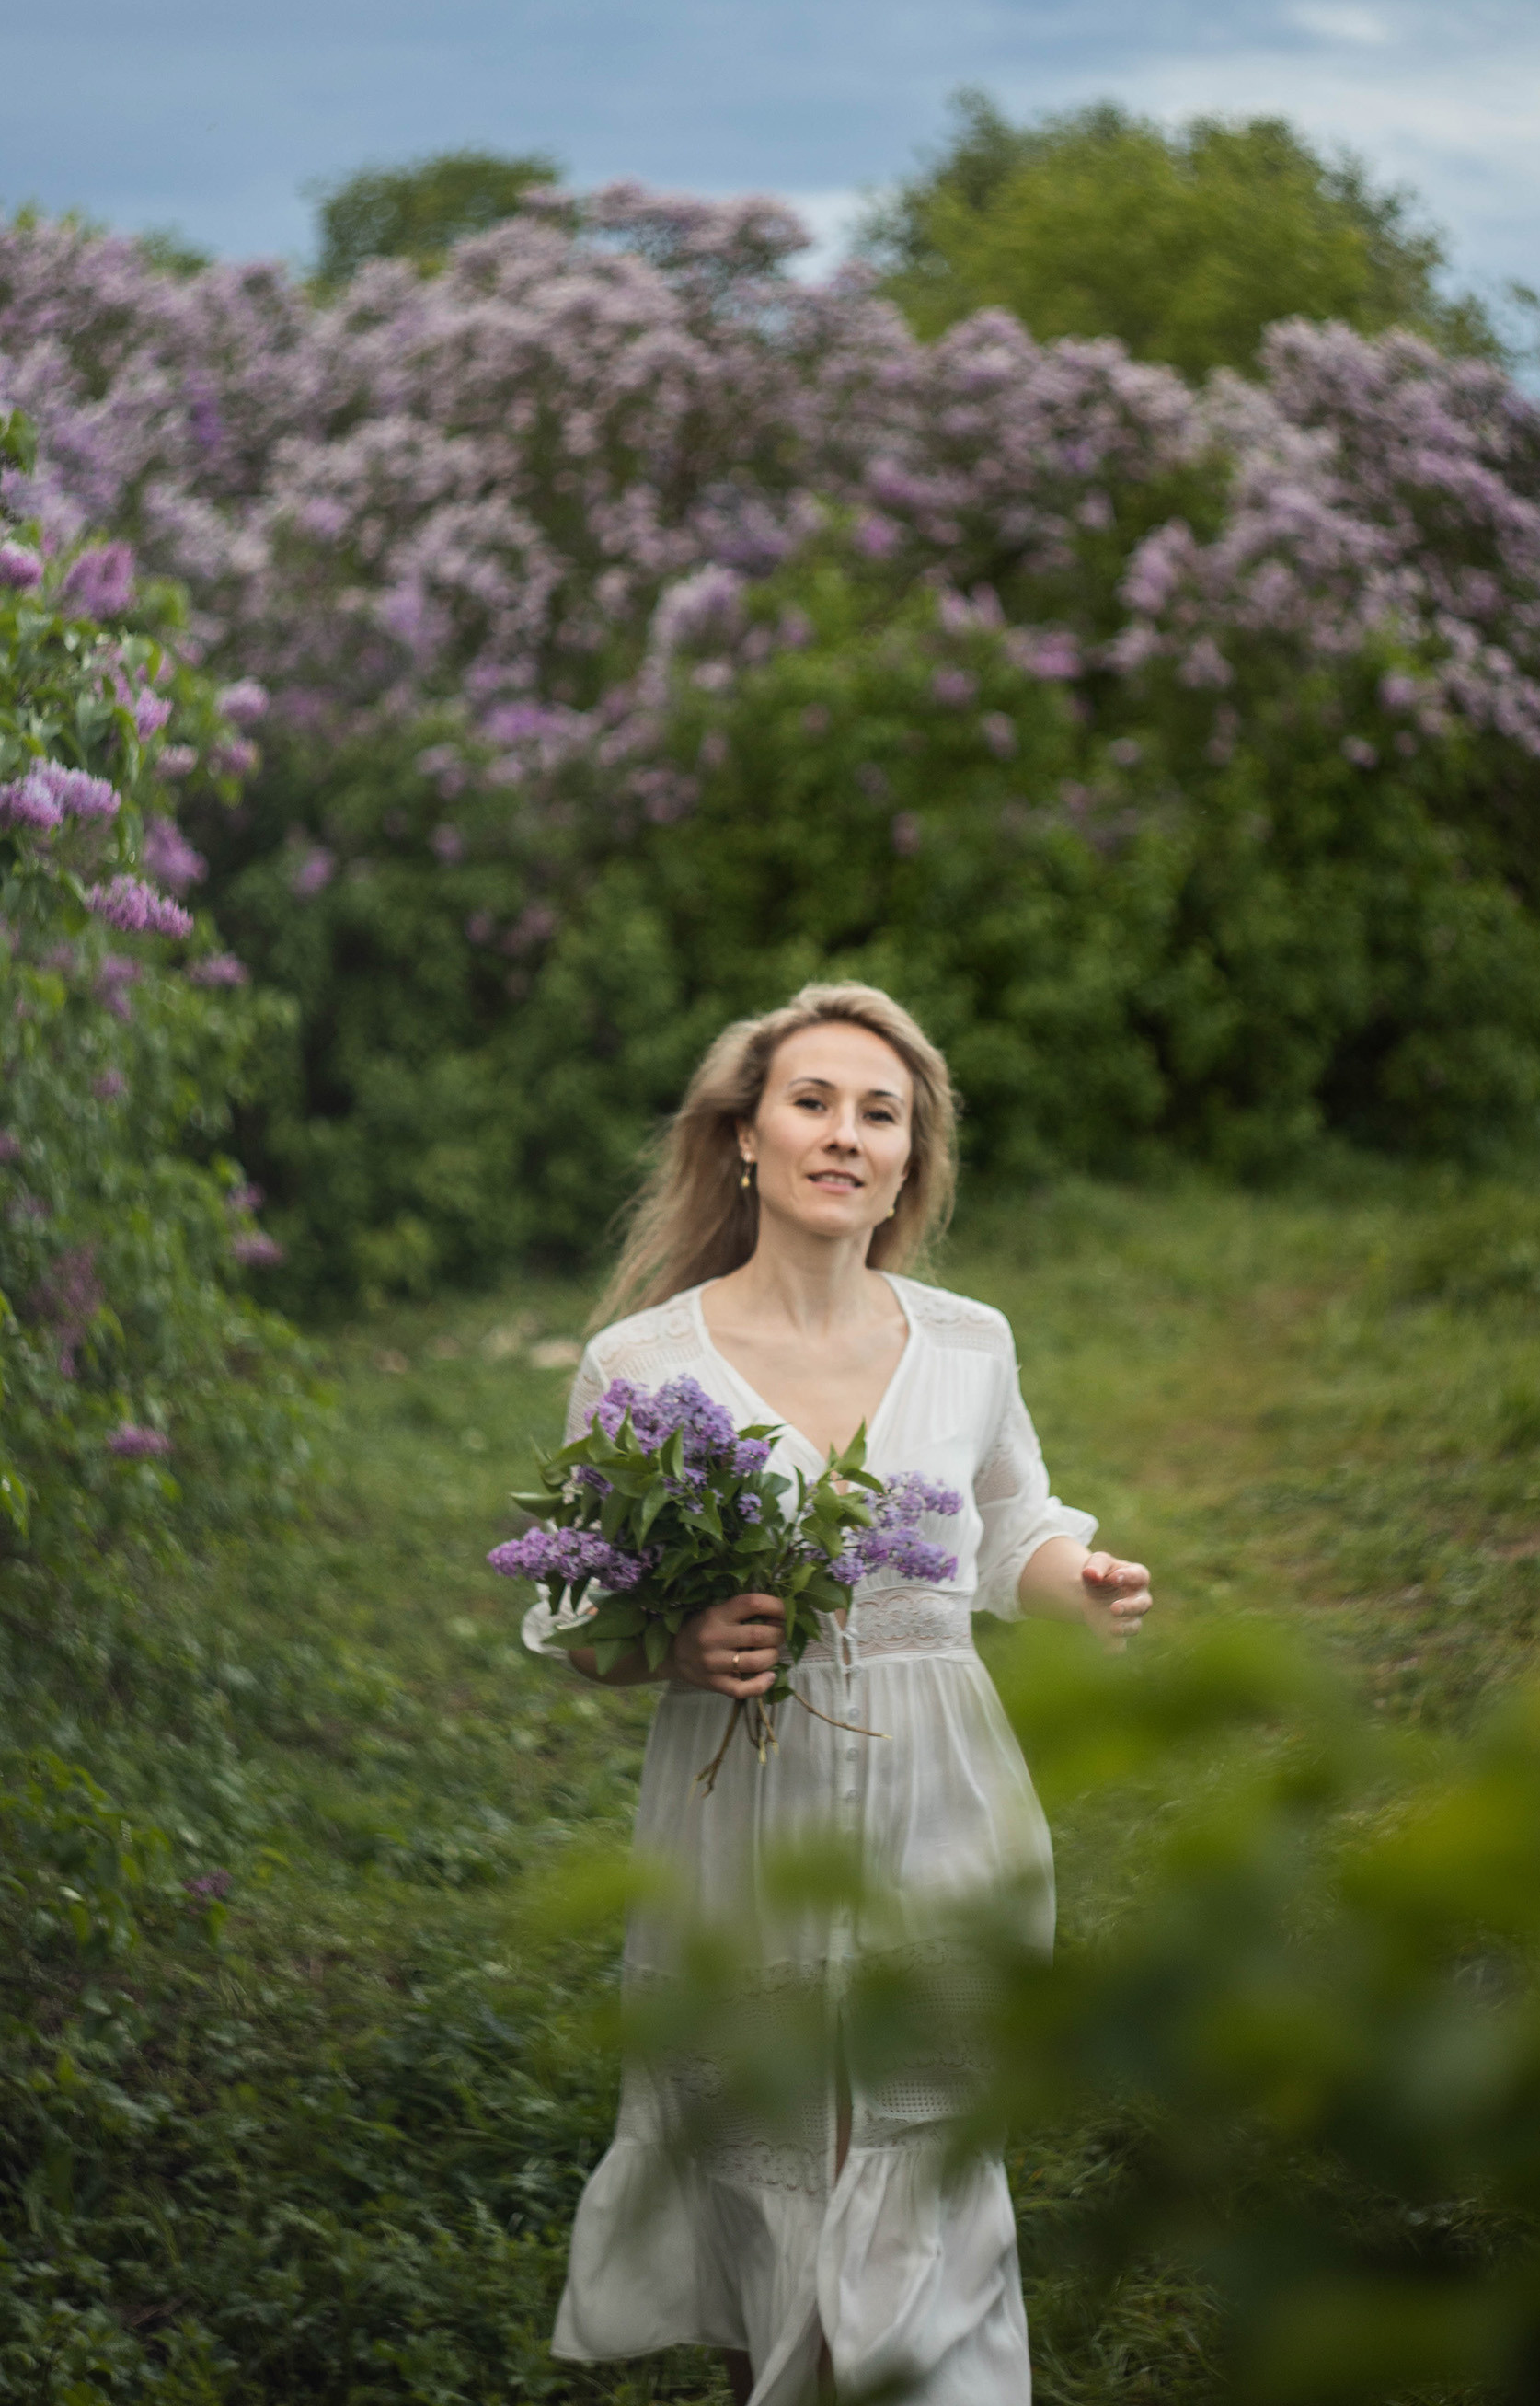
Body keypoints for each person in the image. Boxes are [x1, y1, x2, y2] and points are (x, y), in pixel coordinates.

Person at [524, 981, 1153, 2404]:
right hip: (745, 1804)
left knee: (928, 2143)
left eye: (883, 1113)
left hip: (946, 1792)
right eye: (814, 1101)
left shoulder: (970, 1340)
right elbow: (573, 1609)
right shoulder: (641, 1367)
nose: (846, 1134)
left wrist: (1082, 1579)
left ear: (911, 1159)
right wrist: (678, 1646)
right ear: (743, 1136)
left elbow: (1010, 1530)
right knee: (772, 2155)